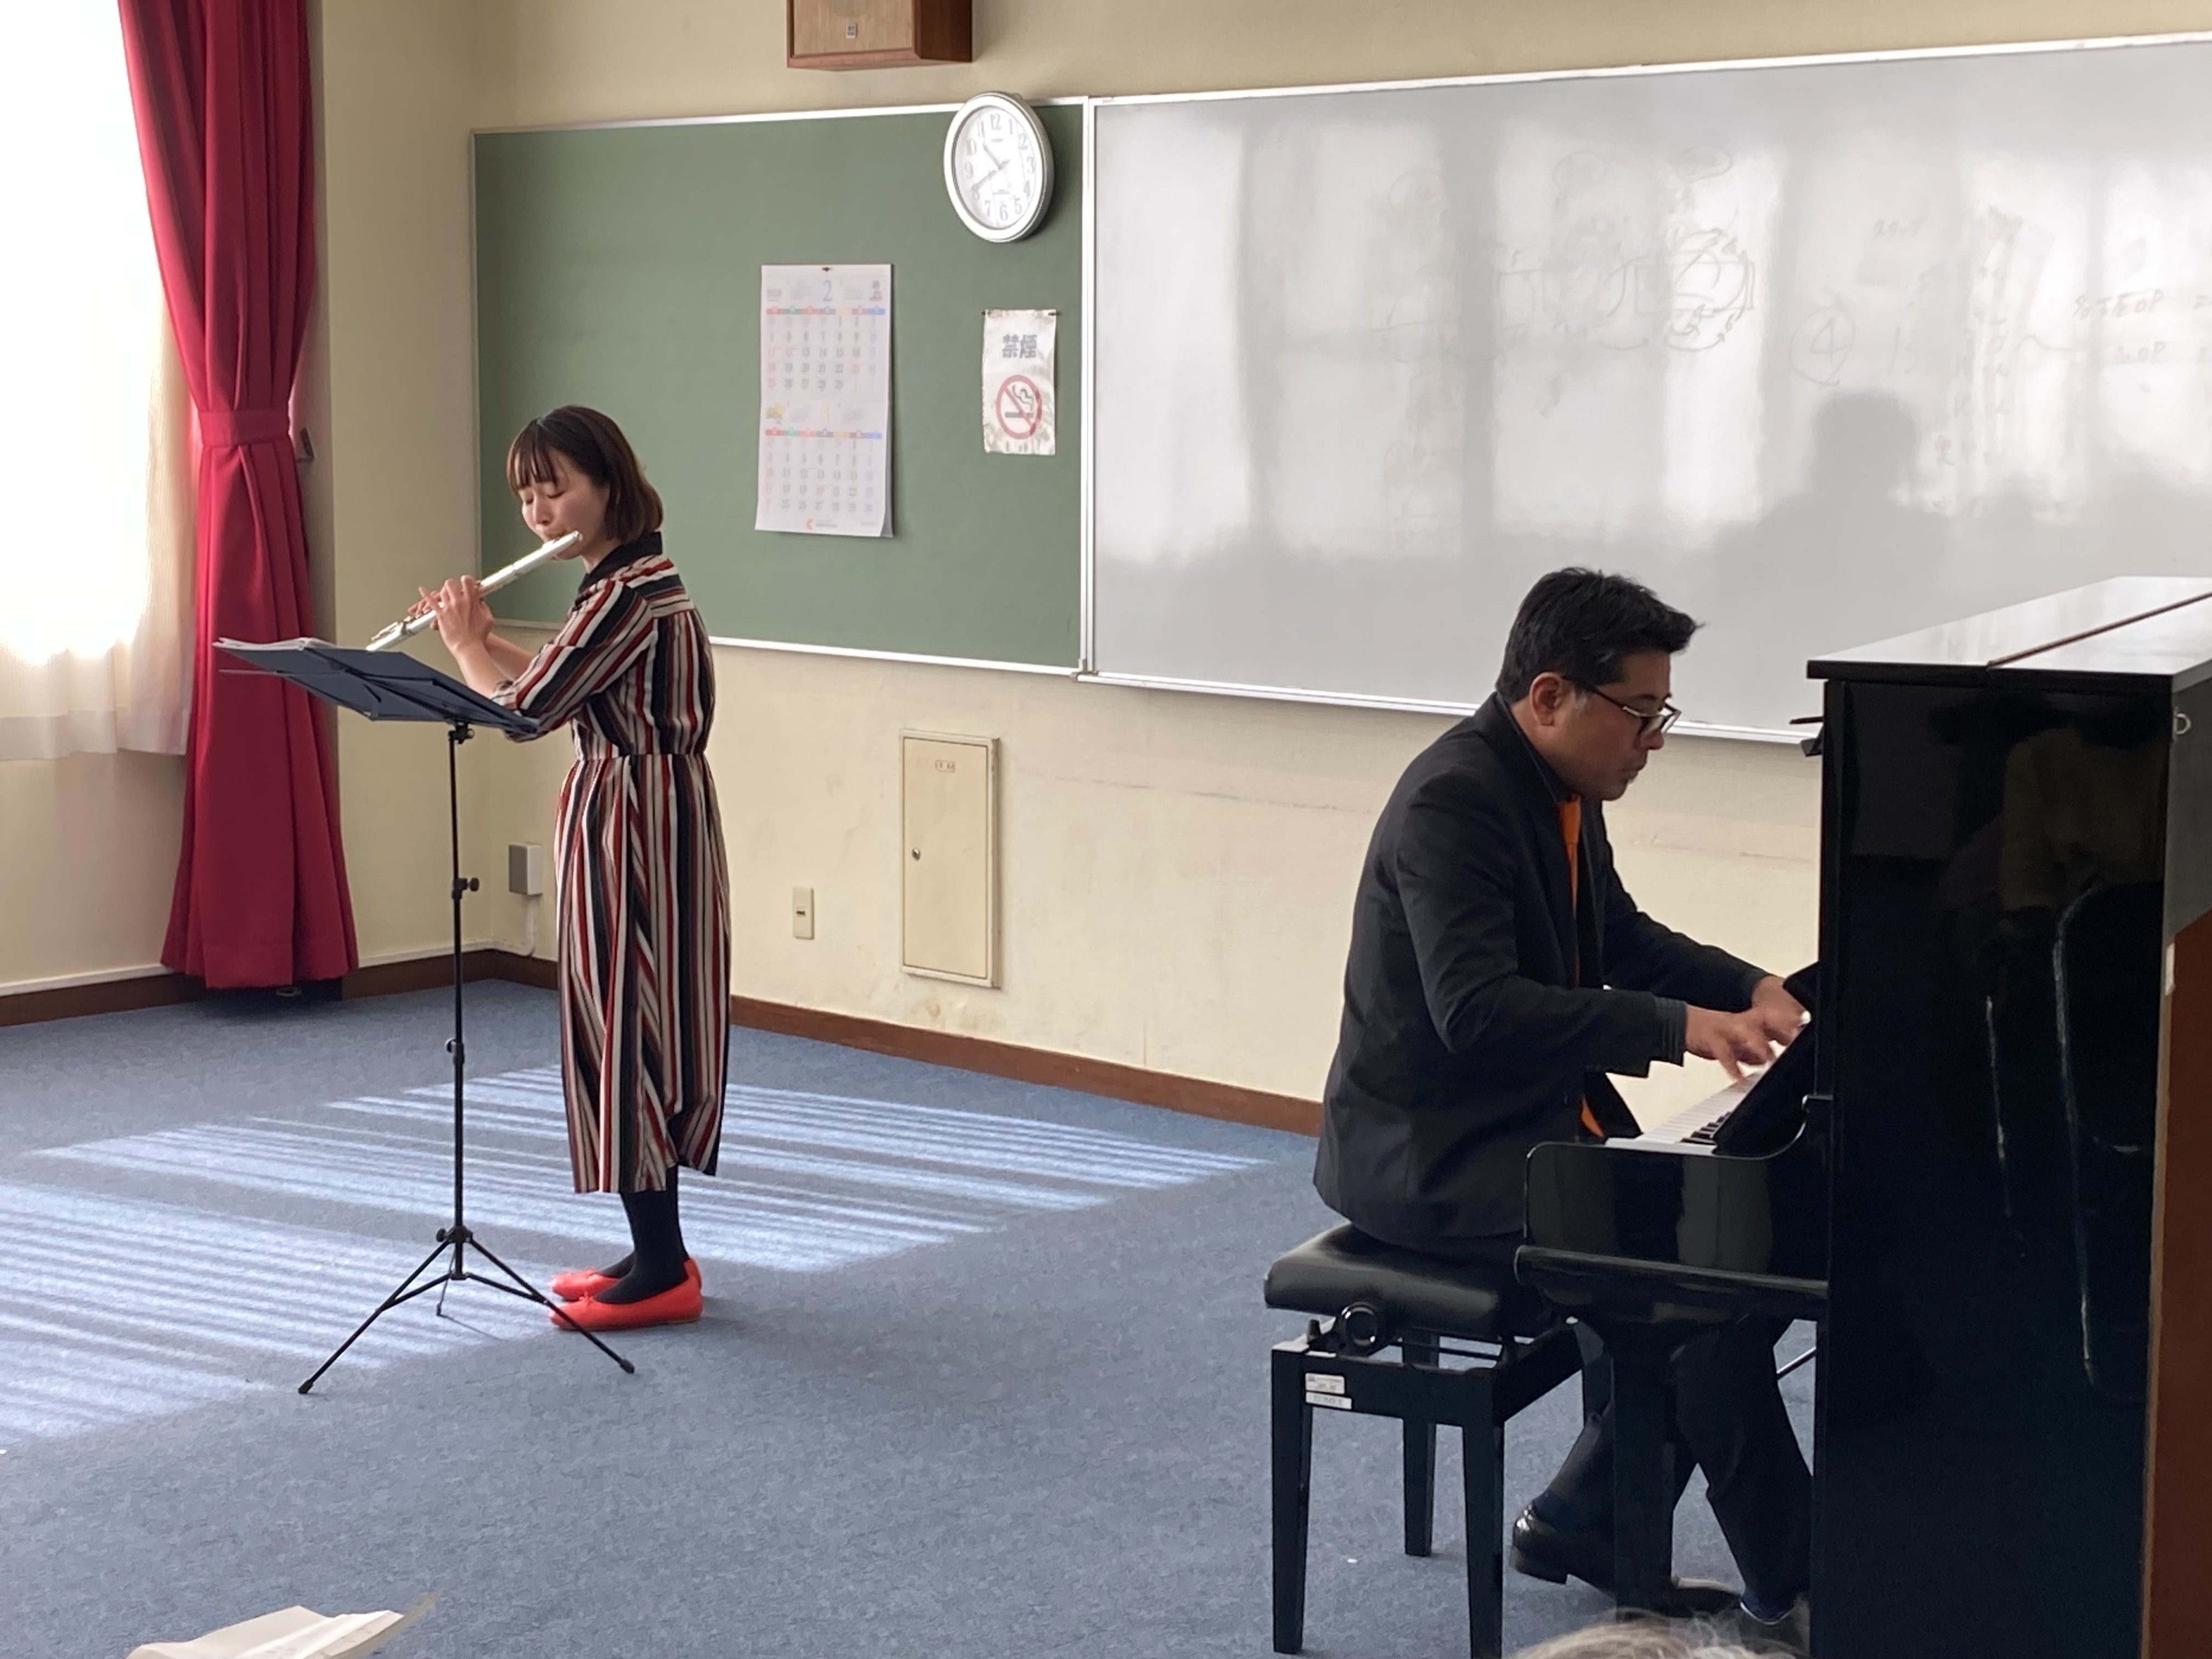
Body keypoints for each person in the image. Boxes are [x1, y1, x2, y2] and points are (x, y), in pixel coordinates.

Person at [1313, 568, 1812, 1649]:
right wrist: (1677, 1029)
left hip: (1529, 1126)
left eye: (1662, 714)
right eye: (1641, 713)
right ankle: (1797, 1589)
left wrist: (1751, 987)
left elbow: (1617, 936)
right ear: (1551, 697)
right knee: (1704, 1293)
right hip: (1436, 1159)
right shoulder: (1454, 800)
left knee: (1745, 1263)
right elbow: (1476, 1011)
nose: (1654, 741)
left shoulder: (1556, 788)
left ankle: (1581, 1521)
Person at [416, 404, 730, 1333]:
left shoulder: (625, 595)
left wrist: (463, 646)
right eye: (527, 496)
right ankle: (657, 1248)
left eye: (555, 490)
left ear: (609, 485)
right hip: (646, 810)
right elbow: (568, 680)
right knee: (634, 1018)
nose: (539, 513)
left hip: (634, 821)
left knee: (628, 1024)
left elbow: (524, 714)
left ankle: (664, 1270)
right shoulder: (629, 585)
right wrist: (480, 641)